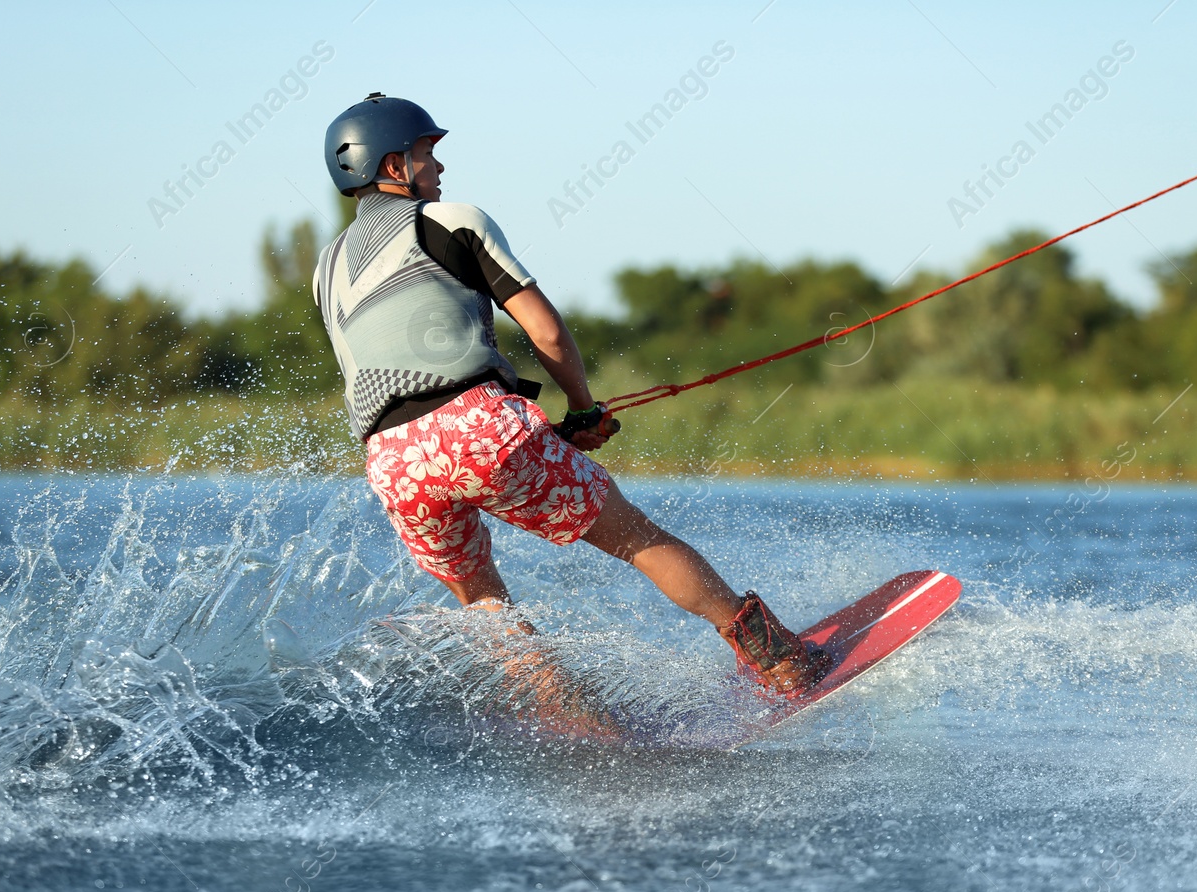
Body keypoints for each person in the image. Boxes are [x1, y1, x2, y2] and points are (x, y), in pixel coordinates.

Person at [312, 93, 826, 698]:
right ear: (393, 166)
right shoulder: (453, 221)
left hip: (392, 465)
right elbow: (546, 331)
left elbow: (393, 383)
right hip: (475, 428)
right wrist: (581, 408)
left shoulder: (324, 266)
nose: (441, 168)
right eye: (428, 153)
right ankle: (781, 662)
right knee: (639, 539)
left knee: (483, 601)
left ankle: (574, 726)